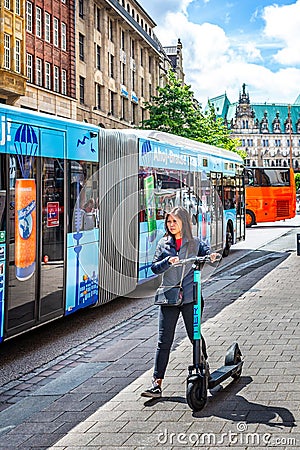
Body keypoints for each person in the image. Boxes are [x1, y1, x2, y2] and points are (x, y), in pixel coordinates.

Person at [141, 206, 218, 398]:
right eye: (169, 221)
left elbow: (209, 254)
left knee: (195, 336)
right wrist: (168, 262)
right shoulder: (163, 244)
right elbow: (154, 268)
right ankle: (156, 384)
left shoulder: (195, 243)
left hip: (191, 297)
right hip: (169, 297)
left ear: (184, 222)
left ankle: (203, 365)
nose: (171, 225)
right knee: (164, 341)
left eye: (175, 221)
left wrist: (214, 257)